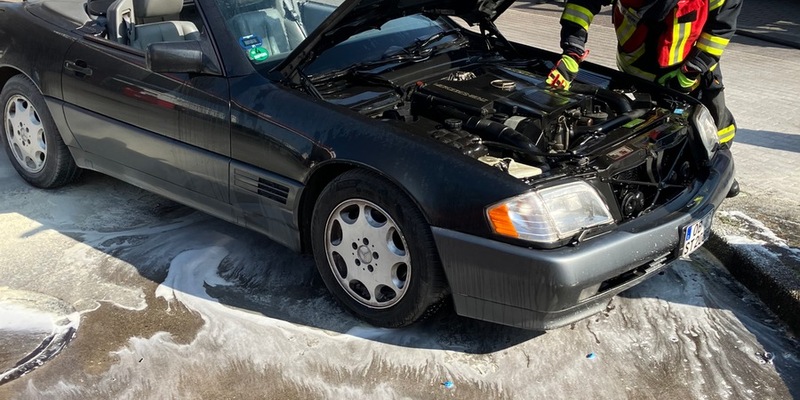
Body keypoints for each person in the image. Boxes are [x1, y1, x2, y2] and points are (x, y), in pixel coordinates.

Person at [546, 0, 742, 197]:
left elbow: (719, 32)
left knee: (714, 120)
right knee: (640, 126)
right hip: (637, 64)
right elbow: (581, 5)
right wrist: (572, 51)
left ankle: (718, 171)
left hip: (691, 66)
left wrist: (691, 72)